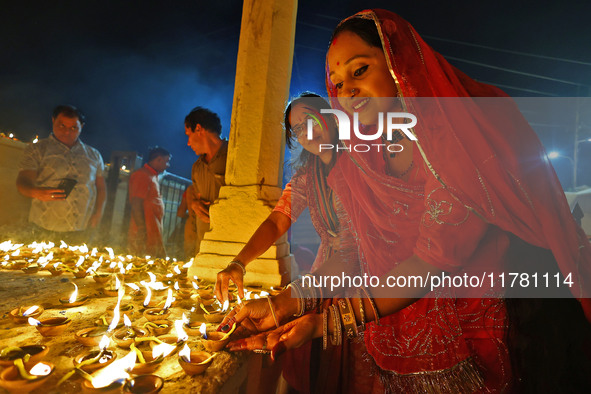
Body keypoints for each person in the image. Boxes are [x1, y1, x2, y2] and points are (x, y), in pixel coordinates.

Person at [223, 9, 591, 393]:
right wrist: (284, 304)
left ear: (398, 61)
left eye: (359, 70)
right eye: (337, 82)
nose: (347, 90)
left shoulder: (449, 138)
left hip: (479, 329)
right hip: (390, 316)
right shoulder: (359, 160)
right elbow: (353, 251)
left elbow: (429, 260)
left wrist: (322, 322)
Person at [16, 105, 106, 244]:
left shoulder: (93, 155)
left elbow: (100, 188)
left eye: (73, 128)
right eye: (61, 125)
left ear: (82, 126)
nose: (67, 132)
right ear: (53, 121)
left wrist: (98, 213)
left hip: (81, 227)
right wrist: (36, 192)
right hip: (44, 226)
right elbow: (23, 181)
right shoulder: (37, 149)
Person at [184, 106, 228, 255]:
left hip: (228, 245)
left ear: (198, 129)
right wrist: (195, 205)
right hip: (203, 248)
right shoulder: (197, 168)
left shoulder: (233, 157)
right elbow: (197, 200)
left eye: (188, 135)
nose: (188, 143)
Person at [128, 147, 171, 257]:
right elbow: (136, 203)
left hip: (152, 232)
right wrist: (142, 229)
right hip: (144, 234)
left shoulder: (152, 176)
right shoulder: (143, 175)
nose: (168, 165)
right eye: (167, 161)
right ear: (159, 160)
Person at [176, 184, 198, 259]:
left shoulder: (190, 189)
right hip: (206, 227)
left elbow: (180, 213)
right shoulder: (210, 189)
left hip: (190, 227)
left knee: (189, 257)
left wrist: (190, 215)